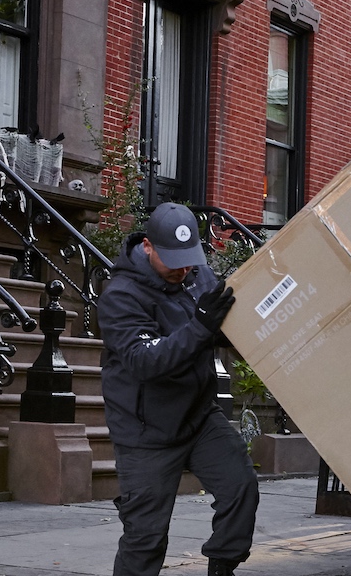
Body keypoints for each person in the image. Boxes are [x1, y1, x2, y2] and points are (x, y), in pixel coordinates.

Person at [98, 202, 256, 576]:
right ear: (148, 246)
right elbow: (145, 361)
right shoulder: (120, 296)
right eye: (173, 261)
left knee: (241, 487)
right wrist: (201, 327)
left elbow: (219, 327)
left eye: (188, 261)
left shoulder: (198, 275)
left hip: (199, 416)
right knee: (145, 538)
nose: (182, 270)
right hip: (145, 431)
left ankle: (222, 567)